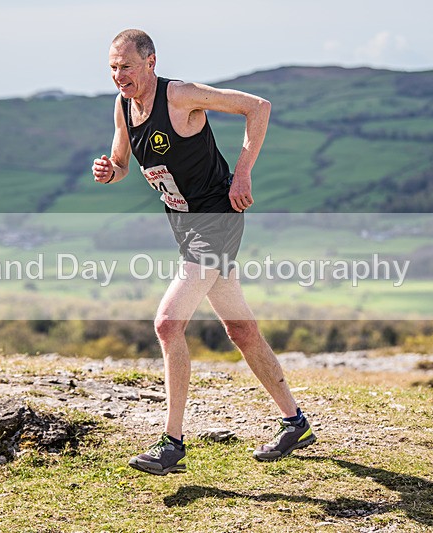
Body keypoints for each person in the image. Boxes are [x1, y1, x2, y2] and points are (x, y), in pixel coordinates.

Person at [92, 29, 315, 475]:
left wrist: (243, 174)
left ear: (150, 62)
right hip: (185, 225)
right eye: (113, 67)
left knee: (167, 323)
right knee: (242, 331)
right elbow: (121, 165)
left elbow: (258, 107)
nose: (120, 76)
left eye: (128, 66)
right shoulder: (122, 107)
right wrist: (108, 171)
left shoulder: (180, 96)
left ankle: (171, 444)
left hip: (217, 218)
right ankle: (296, 423)